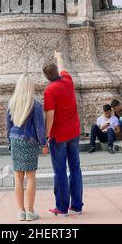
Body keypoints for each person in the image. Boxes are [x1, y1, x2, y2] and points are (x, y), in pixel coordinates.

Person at [43, 51, 83, 216]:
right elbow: (62, 67)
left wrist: (46, 135)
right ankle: (77, 206)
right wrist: (58, 55)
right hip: (74, 132)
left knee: (60, 171)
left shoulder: (49, 90)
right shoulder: (68, 80)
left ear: (46, 77)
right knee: (75, 169)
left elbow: (50, 115)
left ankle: (62, 207)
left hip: (59, 136)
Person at [6, 73, 48, 221]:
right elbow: (39, 127)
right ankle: (30, 212)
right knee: (30, 176)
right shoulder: (35, 104)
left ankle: (21, 211)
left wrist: (9, 142)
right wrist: (44, 143)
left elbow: (8, 125)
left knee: (18, 176)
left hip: (15, 140)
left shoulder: (12, 102)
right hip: (30, 141)